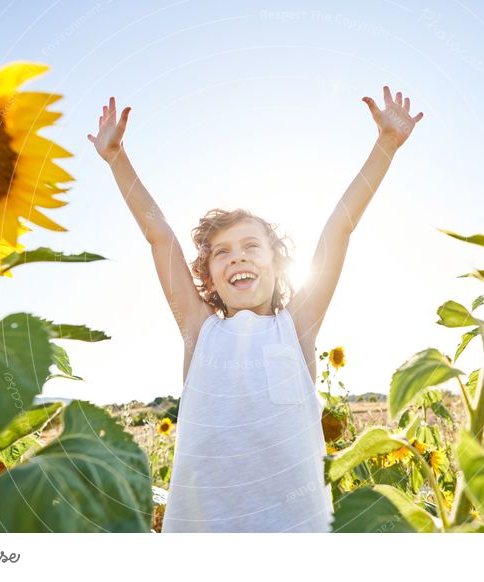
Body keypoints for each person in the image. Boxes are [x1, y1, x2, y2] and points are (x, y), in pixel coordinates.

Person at [88, 87, 423, 532]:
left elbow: (339, 228)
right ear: (206, 275)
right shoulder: (199, 331)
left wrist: (385, 145)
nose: (239, 257)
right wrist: (116, 159)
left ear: (276, 263)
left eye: (251, 246)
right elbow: (160, 236)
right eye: (222, 252)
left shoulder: (296, 328)